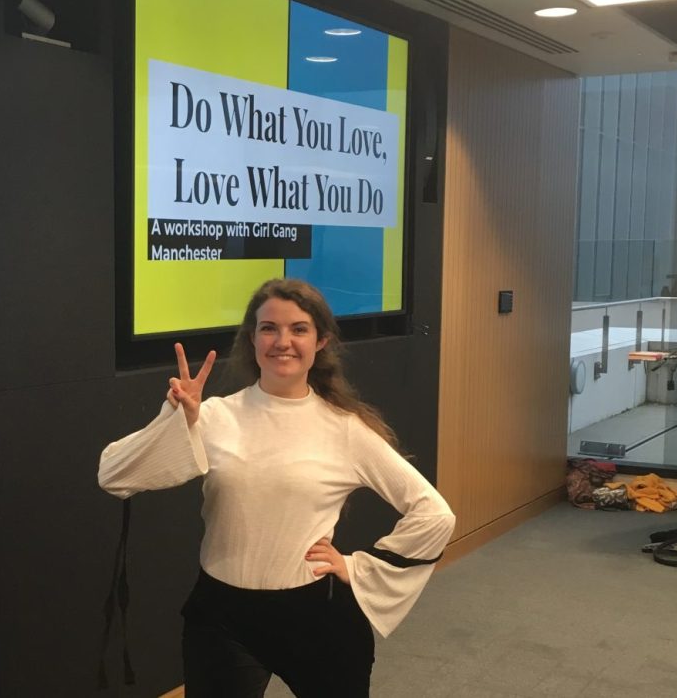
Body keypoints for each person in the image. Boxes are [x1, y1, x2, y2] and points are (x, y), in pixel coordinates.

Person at [98, 278, 455, 697]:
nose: (282, 341)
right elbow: (114, 475)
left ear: (321, 340)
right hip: (221, 616)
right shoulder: (214, 416)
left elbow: (434, 514)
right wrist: (174, 418)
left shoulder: (345, 429)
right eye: (269, 328)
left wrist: (358, 567)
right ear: (252, 339)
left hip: (315, 616)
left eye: (298, 329)